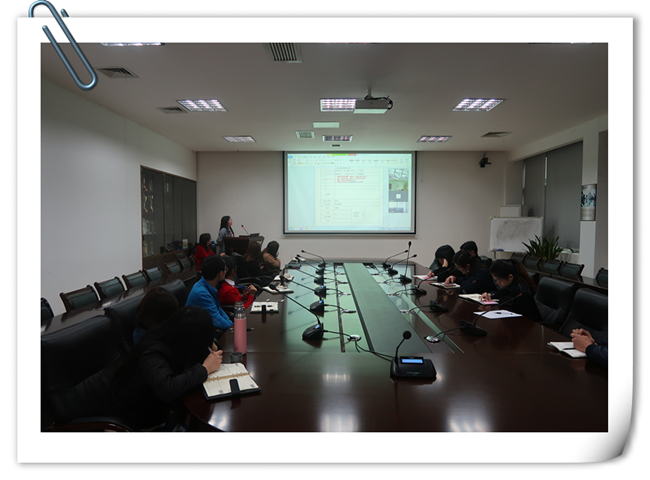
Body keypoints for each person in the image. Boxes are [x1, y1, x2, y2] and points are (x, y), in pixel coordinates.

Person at [109, 306, 223, 430]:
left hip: (162, 409)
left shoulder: (177, 339)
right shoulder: (153, 352)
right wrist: (204, 369)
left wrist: (210, 343)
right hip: (139, 417)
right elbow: (168, 389)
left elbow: (198, 354)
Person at [185, 255, 232, 336]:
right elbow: (217, 320)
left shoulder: (209, 285)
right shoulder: (201, 294)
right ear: (220, 274)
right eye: (225, 269)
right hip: (197, 335)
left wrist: (233, 327)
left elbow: (219, 310)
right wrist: (233, 331)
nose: (226, 272)